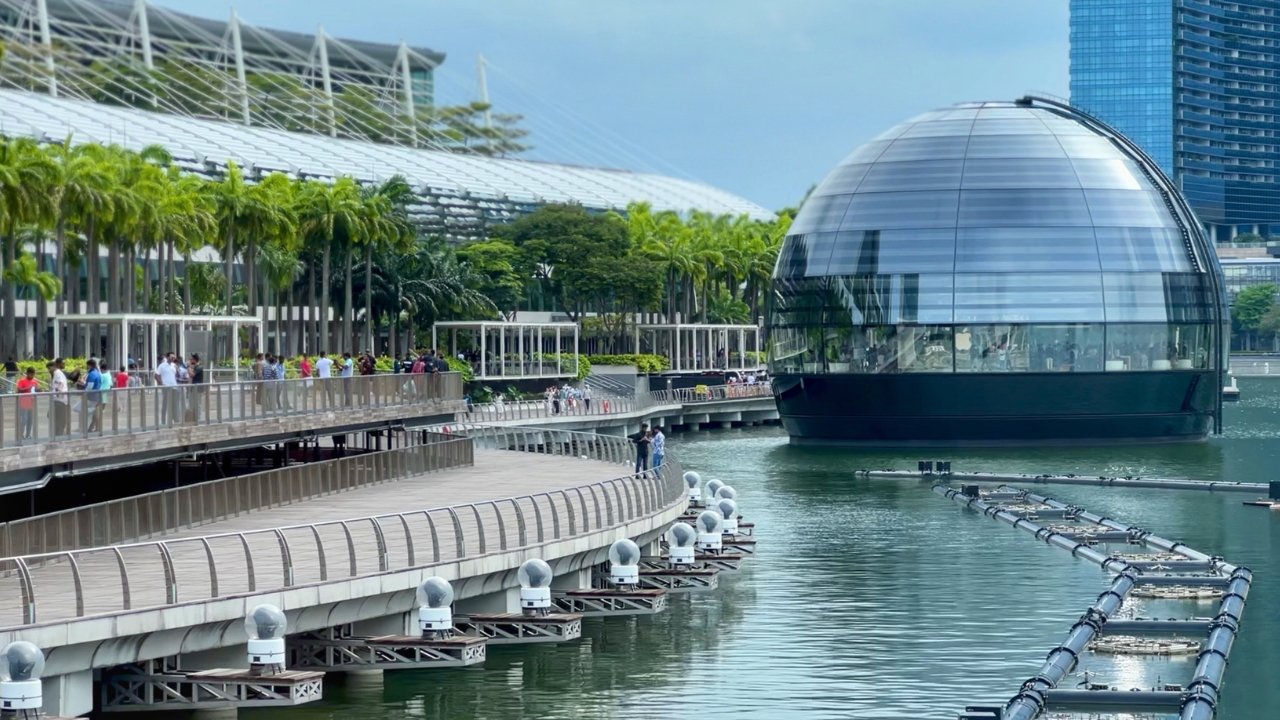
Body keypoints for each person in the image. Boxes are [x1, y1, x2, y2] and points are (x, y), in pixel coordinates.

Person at [16, 367, 37, 440]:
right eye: (31, 374)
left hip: (31, 404)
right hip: (23, 404)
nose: (32, 376)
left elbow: (36, 390)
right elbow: (18, 391)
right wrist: (27, 388)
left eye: (33, 374)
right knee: (24, 420)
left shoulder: (34, 381)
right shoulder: (22, 381)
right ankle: (21, 435)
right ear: (28, 373)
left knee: (30, 420)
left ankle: (28, 435)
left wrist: (40, 390)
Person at [49, 359, 69, 436]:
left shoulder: (58, 373)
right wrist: (58, 394)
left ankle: (59, 434)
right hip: (59, 400)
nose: (64, 364)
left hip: (61, 400)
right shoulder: (57, 373)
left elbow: (60, 384)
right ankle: (58, 435)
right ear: (58, 364)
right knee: (60, 420)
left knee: (61, 420)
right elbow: (59, 385)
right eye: (63, 363)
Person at [187, 354, 205, 422]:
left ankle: (198, 418)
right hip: (193, 388)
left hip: (198, 389)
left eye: (191, 359)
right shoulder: (195, 367)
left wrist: (188, 367)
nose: (190, 360)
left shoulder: (199, 367)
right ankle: (193, 418)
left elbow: (192, 374)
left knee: (197, 404)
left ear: (195, 360)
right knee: (191, 403)